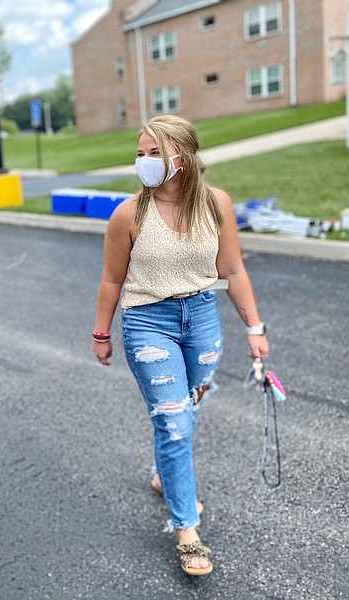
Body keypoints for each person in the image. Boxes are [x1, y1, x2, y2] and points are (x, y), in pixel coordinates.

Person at [92, 115, 269, 576]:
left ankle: (163, 475)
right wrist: (101, 332)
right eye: (141, 152)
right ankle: (187, 528)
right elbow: (112, 279)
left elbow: (232, 271)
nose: (144, 161)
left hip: (203, 319)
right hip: (149, 322)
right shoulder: (129, 214)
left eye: (155, 152)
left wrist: (254, 328)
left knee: (187, 408)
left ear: (183, 158)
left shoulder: (215, 204)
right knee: (173, 424)